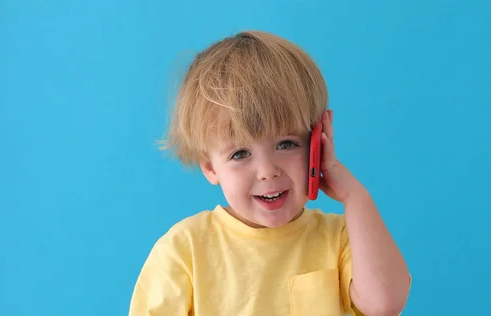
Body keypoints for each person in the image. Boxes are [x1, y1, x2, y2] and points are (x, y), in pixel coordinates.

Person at [129, 30, 411, 316]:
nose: (267, 171)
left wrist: (354, 197)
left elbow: (383, 304)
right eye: (240, 154)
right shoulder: (184, 250)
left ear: (317, 142)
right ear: (210, 166)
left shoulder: (341, 238)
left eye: (286, 144)